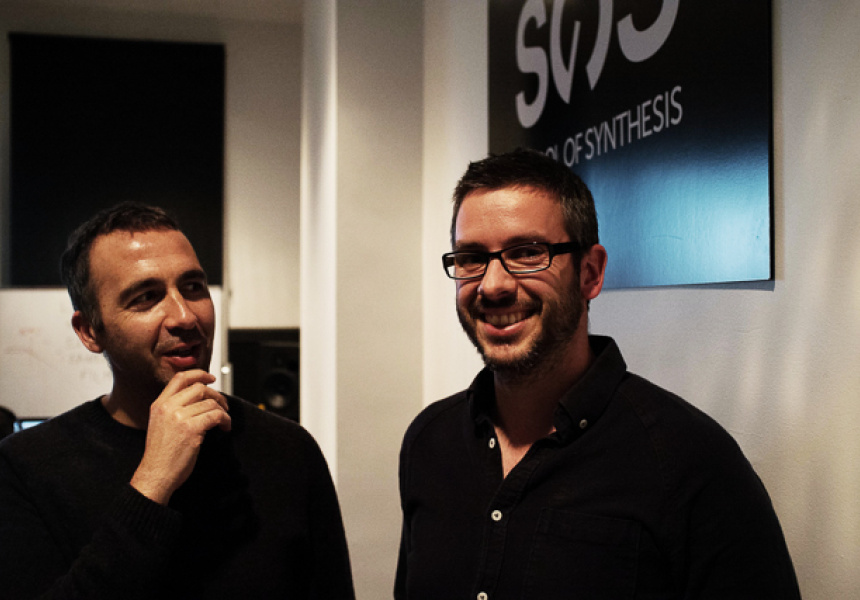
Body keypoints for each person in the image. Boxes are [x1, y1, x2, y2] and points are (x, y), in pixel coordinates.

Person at [395, 149, 801, 599]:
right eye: (471, 257)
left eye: (527, 253)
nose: (493, 285)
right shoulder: (429, 442)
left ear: (590, 273)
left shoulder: (692, 463)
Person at [0, 202, 355, 600]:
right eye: (146, 297)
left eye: (193, 287)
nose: (185, 316)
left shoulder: (289, 450)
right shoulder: (26, 467)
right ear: (89, 331)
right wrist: (153, 482)